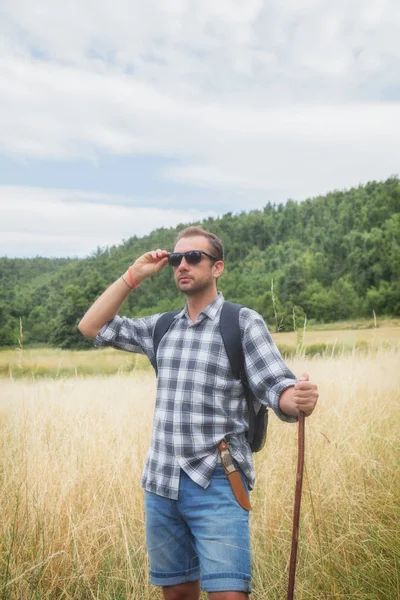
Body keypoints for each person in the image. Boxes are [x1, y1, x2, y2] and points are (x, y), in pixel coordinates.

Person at [78, 226, 319, 600]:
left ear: (217, 267)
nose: (182, 265)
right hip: (161, 483)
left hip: (219, 482)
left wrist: (297, 398)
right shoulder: (161, 328)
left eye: (194, 257)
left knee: (228, 596)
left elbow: (276, 385)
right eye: (176, 259)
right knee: (176, 593)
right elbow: (91, 326)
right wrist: (132, 277)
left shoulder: (241, 323)